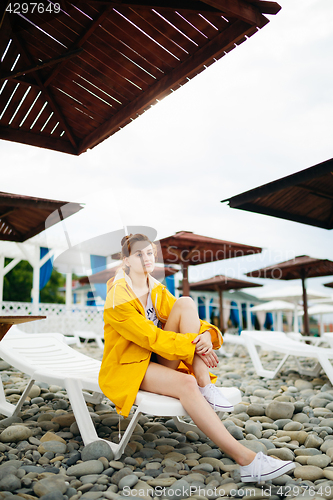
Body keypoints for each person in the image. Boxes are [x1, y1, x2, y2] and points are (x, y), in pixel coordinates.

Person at [99, 233, 295, 483]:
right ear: (126, 260)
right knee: (186, 384)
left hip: (158, 358)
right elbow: (152, 339)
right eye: (138, 254)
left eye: (149, 253)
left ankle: (206, 383)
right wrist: (197, 345)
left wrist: (206, 335)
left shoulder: (156, 288)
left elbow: (188, 321)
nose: (146, 258)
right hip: (130, 364)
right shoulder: (118, 296)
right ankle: (247, 460)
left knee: (186, 303)